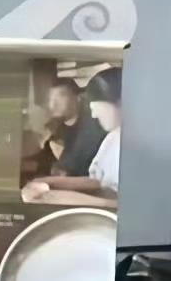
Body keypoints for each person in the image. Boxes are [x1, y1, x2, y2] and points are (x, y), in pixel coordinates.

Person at [24, 67, 123, 202]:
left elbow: (116, 202)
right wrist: (46, 182)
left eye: (97, 108)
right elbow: (98, 182)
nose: (94, 115)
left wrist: (48, 197)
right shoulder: (112, 138)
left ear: (120, 102)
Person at [43, 78, 105, 178]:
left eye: (61, 96)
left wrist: (62, 165)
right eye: (50, 99)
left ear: (78, 97)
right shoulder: (54, 129)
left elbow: (70, 168)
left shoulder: (92, 123)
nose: (53, 104)